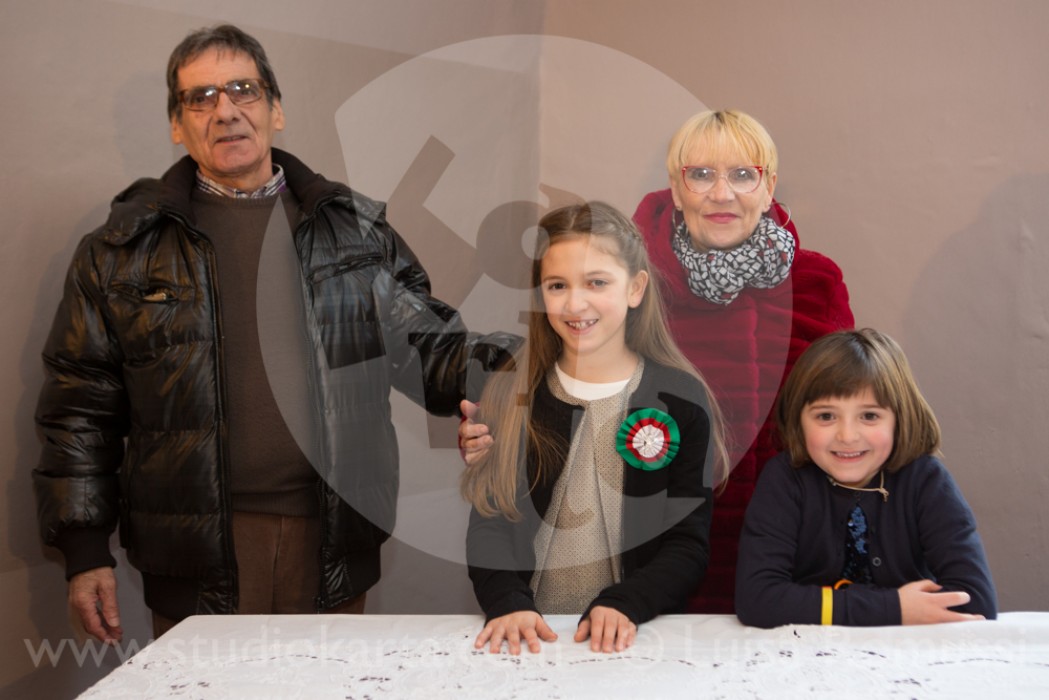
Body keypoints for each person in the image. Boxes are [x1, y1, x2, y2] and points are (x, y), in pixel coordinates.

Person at [33, 24, 516, 643]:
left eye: (244, 90)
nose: (225, 111)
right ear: (177, 125)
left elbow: (432, 353)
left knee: (333, 685)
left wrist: (537, 359)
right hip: (195, 551)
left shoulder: (351, 231)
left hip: (332, 537)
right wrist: (83, 549)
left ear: (275, 109)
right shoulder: (121, 250)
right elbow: (79, 409)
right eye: (200, 97)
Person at [463, 109, 854, 613]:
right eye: (701, 174)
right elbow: (565, 366)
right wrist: (494, 424)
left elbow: (848, 405)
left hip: (787, 552)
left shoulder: (817, 283)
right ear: (676, 188)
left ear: (768, 187)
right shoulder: (629, 274)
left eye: (743, 174)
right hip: (654, 564)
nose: (722, 193)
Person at [461, 201, 725, 655]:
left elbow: (687, 544)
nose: (575, 303)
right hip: (531, 635)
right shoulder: (510, 394)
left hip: (631, 636)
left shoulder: (680, 400)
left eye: (596, 282)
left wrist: (628, 602)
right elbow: (490, 525)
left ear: (635, 288)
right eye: (557, 285)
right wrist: (506, 602)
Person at [735, 329, 997, 627]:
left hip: (905, 651)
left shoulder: (926, 480)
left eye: (869, 416)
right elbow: (757, 600)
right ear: (798, 420)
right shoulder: (785, 479)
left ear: (900, 419)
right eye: (826, 416)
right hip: (808, 649)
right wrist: (894, 608)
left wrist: (815, 605)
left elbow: (976, 602)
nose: (847, 436)